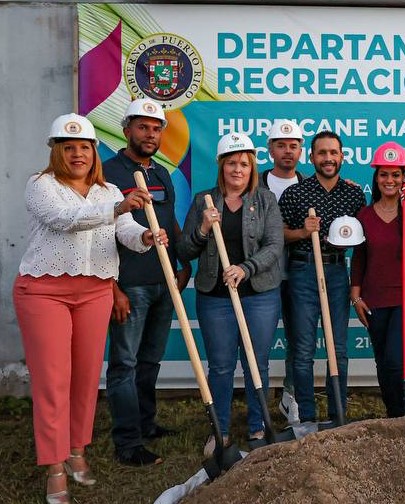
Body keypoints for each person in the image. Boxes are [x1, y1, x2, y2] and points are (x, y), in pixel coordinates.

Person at [13, 113, 162, 504]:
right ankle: (55, 465)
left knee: (85, 377)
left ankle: (77, 449)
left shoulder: (109, 189)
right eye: (69, 147)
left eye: (84, 147)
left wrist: (145, 234)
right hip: (44, 291)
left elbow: (124, 231)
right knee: (53, 381)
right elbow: (64, 220)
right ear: (56, 151)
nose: (77, 154)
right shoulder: (41, 185)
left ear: (94, 151)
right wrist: (116, 210)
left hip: (95, 290)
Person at [177, 133, 284, 455]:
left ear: (252, 167)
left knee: (257, 363)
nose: (238, 170)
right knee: (221, 366)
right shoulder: (203, 201)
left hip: (259, 294)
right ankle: (219, 429)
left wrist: (246, 268)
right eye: (232, 164)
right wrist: (203, 230)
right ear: (222, 166)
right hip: (216, 298)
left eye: (244, 164)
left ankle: (257, 427)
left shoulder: (265, 200)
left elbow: (275, 246)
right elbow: (185, 249)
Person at [103, 97, 190, 466]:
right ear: (127, 130)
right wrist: (113, 288)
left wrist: (182, 263)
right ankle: (127, 441)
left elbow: (169, 222)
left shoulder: (161, 174)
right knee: (124, 362)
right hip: (129, 284)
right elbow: (96, 234)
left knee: (150, 360)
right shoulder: (106, 173)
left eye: (156, 129)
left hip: (163, 280)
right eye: (143, 127)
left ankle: (145, 423)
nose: (150, 134)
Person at [279, 130, 366, 423]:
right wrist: (303, 232)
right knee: (303, 349)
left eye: (333, 153)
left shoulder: (354, 194)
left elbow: (363, 236)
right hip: (303, 270)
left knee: (338, 348)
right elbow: (278, 234)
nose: (328, 158)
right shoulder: (296, 193)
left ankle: (337, 415)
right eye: (322, 153)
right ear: (312, 157)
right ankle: (305, 417)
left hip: (338, 270)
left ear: (341, 156)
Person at [349, 141, 405, 417]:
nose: (390, 180)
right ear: (376, 178)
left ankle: (404, 416)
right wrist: (356, 295)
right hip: (376, 297)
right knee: (384, 362)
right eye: (384, 174)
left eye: (396, 174)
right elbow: (360, 257)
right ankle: (395, 417)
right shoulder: (364, 215)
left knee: (395, 358)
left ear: (404, 178)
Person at [260, 119, 307, 425]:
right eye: (281, 145)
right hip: (262, 275)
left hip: (300, 275)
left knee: (298, 338)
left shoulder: (309, 185)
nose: (287, 151)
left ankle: (289, 398)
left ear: (301, 150)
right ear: (270, 150)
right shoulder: (255, 183)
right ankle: (259, 405)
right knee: (259, 340)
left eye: (293, 146)